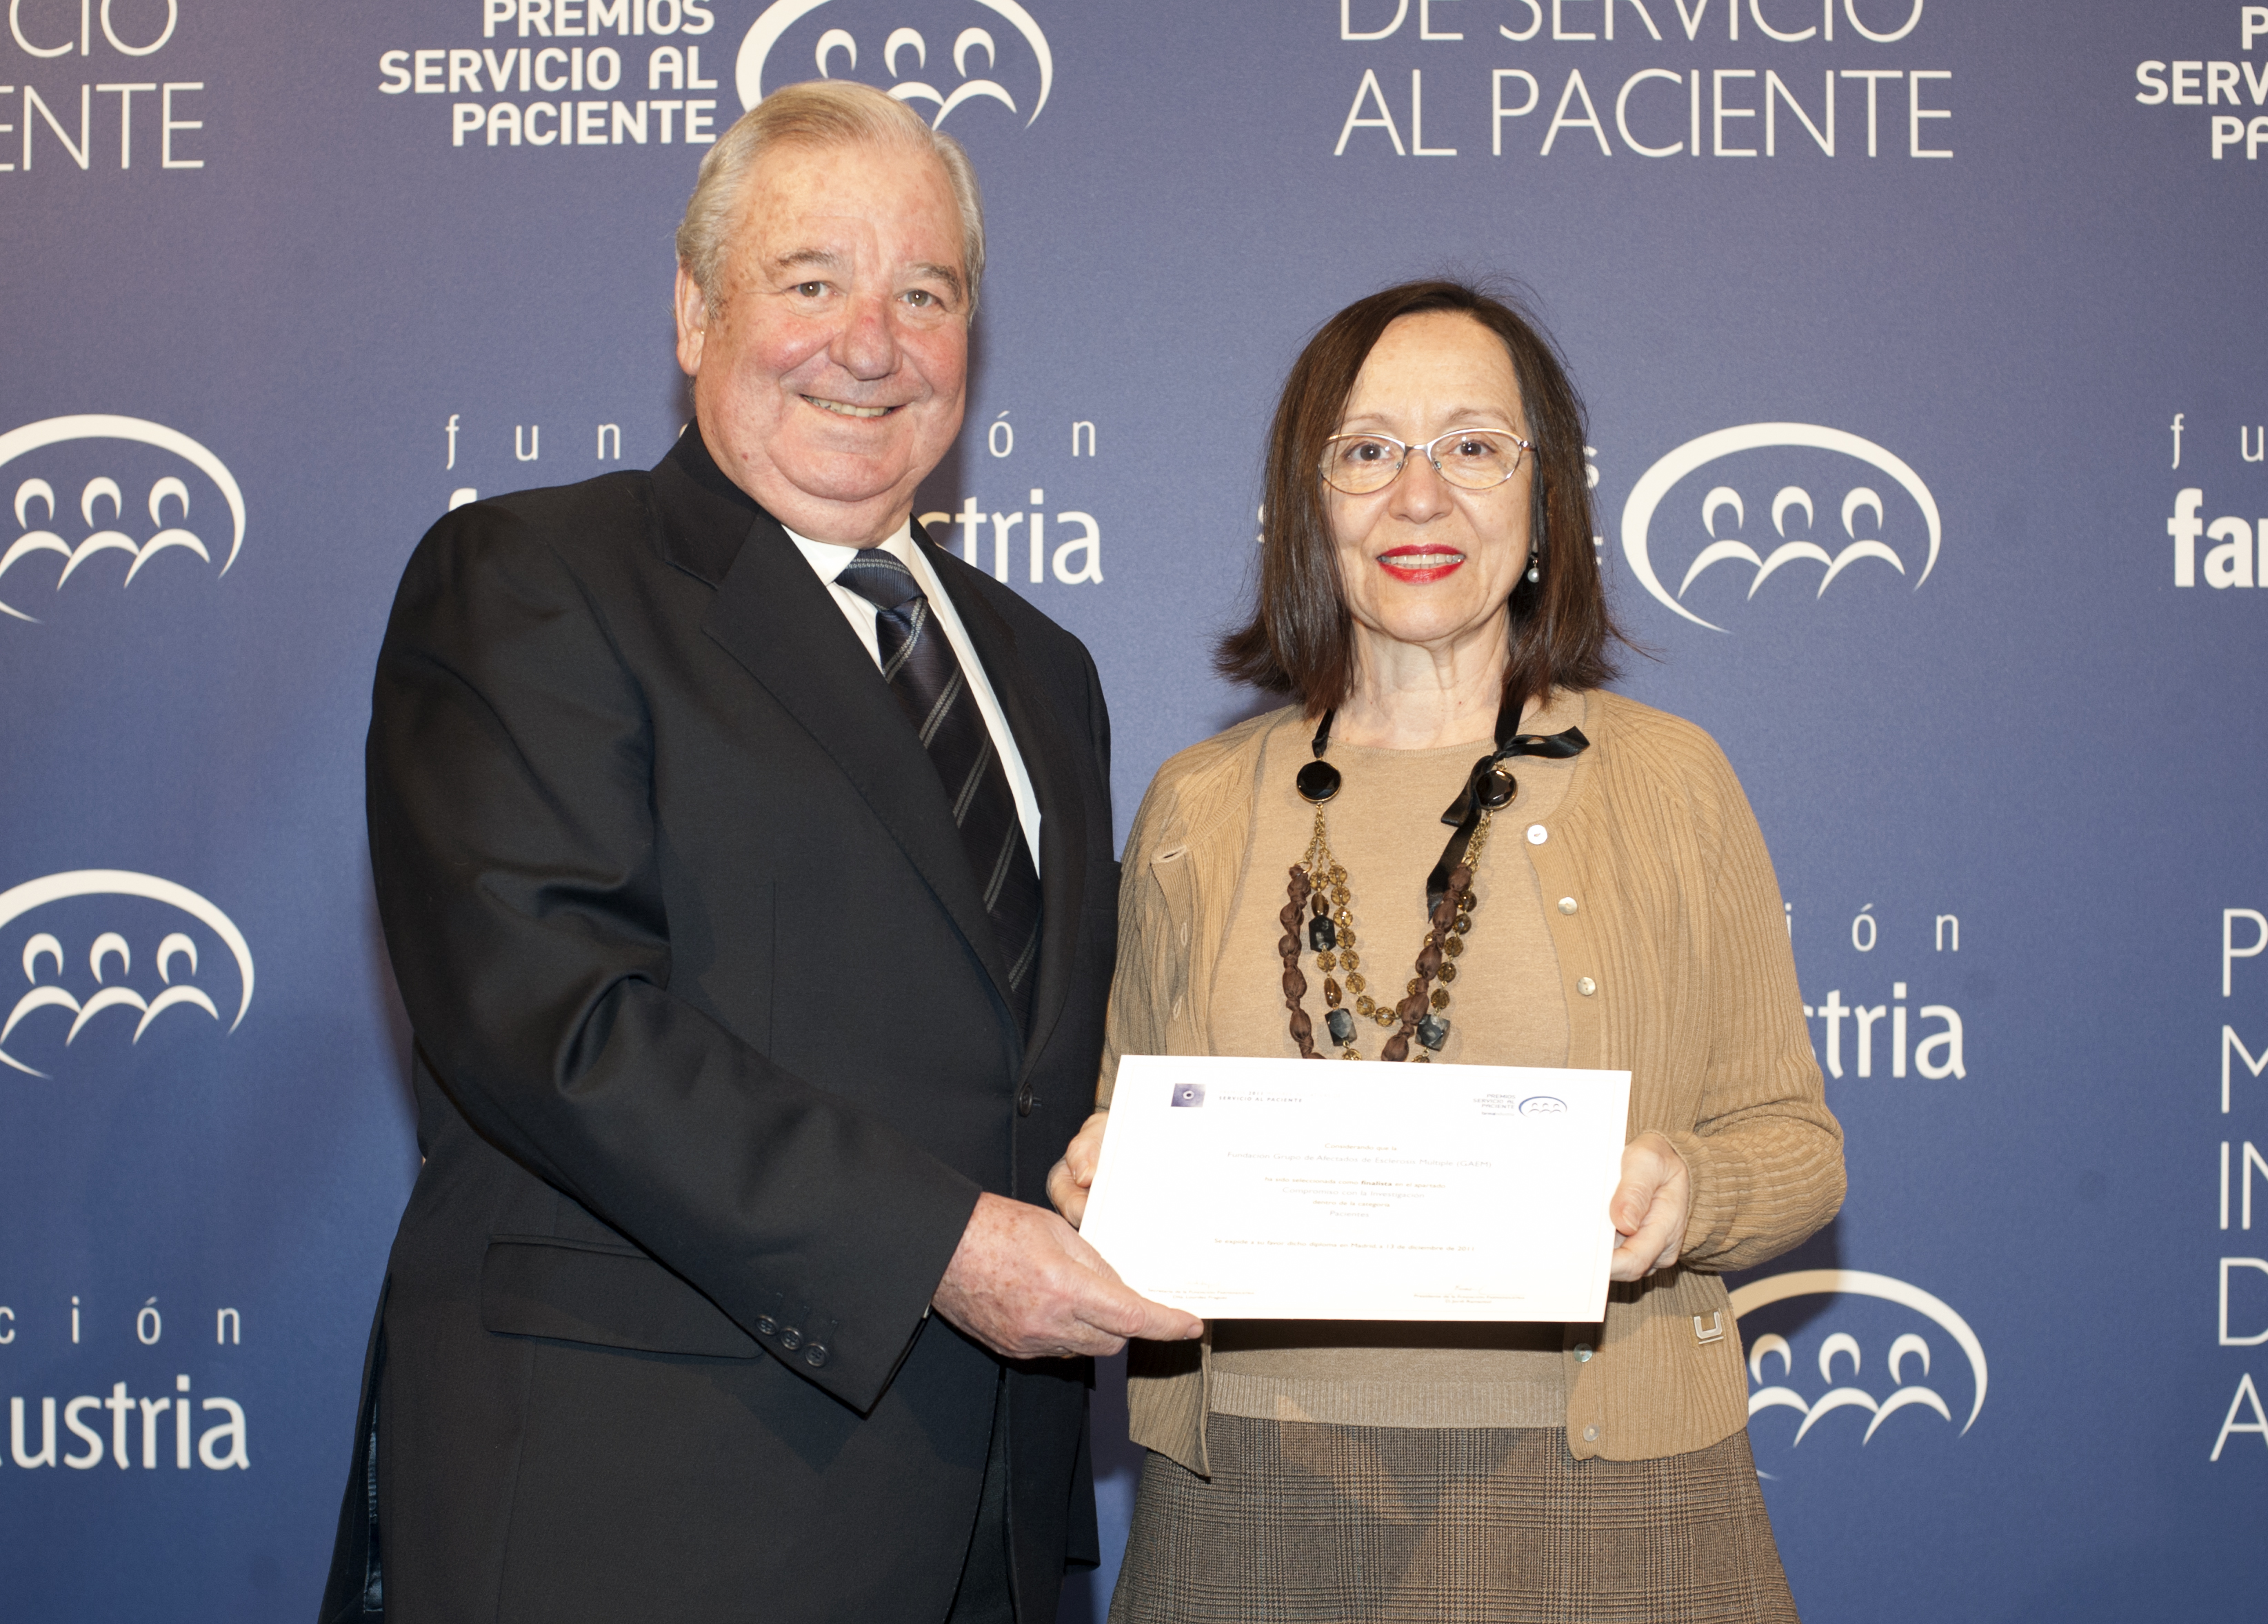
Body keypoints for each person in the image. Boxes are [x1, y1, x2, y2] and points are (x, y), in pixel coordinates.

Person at [319, 81, 1198, 1624]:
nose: (870, 342)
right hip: (649, 1517)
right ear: (692, 311)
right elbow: (558, 1022)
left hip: (987, 1533)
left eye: (924, 294)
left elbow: (1038, 1065)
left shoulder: (1040, 668)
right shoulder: (530, 579)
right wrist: (946, 1247)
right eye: (810, 281)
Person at [1050, 279, 1845, 1621]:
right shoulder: (1197, 803)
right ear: (1307, 503)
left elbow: (1798, 1145)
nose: (1418, 496)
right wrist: (1104, 1175)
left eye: (1473, 446)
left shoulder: (1671, 781)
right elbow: (1127, 1124)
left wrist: (1689, 1187)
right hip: (1251, 1502)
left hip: (1609, 1504)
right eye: (1366, 450)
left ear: (1546, 499)